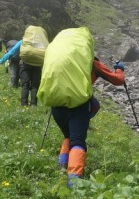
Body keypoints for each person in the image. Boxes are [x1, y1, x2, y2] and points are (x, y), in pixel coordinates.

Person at [36, 27, 124, 185]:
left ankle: (62, 165)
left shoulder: (59, 57)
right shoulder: (91, 61)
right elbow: (118, 80)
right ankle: (74, 183)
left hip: (56, 104)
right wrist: (119, 69)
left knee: (68, 135)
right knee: (77, 141)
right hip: (79, 104)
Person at [0, 25, 47, 107]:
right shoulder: (40, 45)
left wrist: (0, 62)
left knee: (25, 85)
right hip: (37, 65)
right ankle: (33, 105)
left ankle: (24, 105)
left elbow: (11, 52)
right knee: (35, 85)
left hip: (25, 64)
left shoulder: (23, 42)